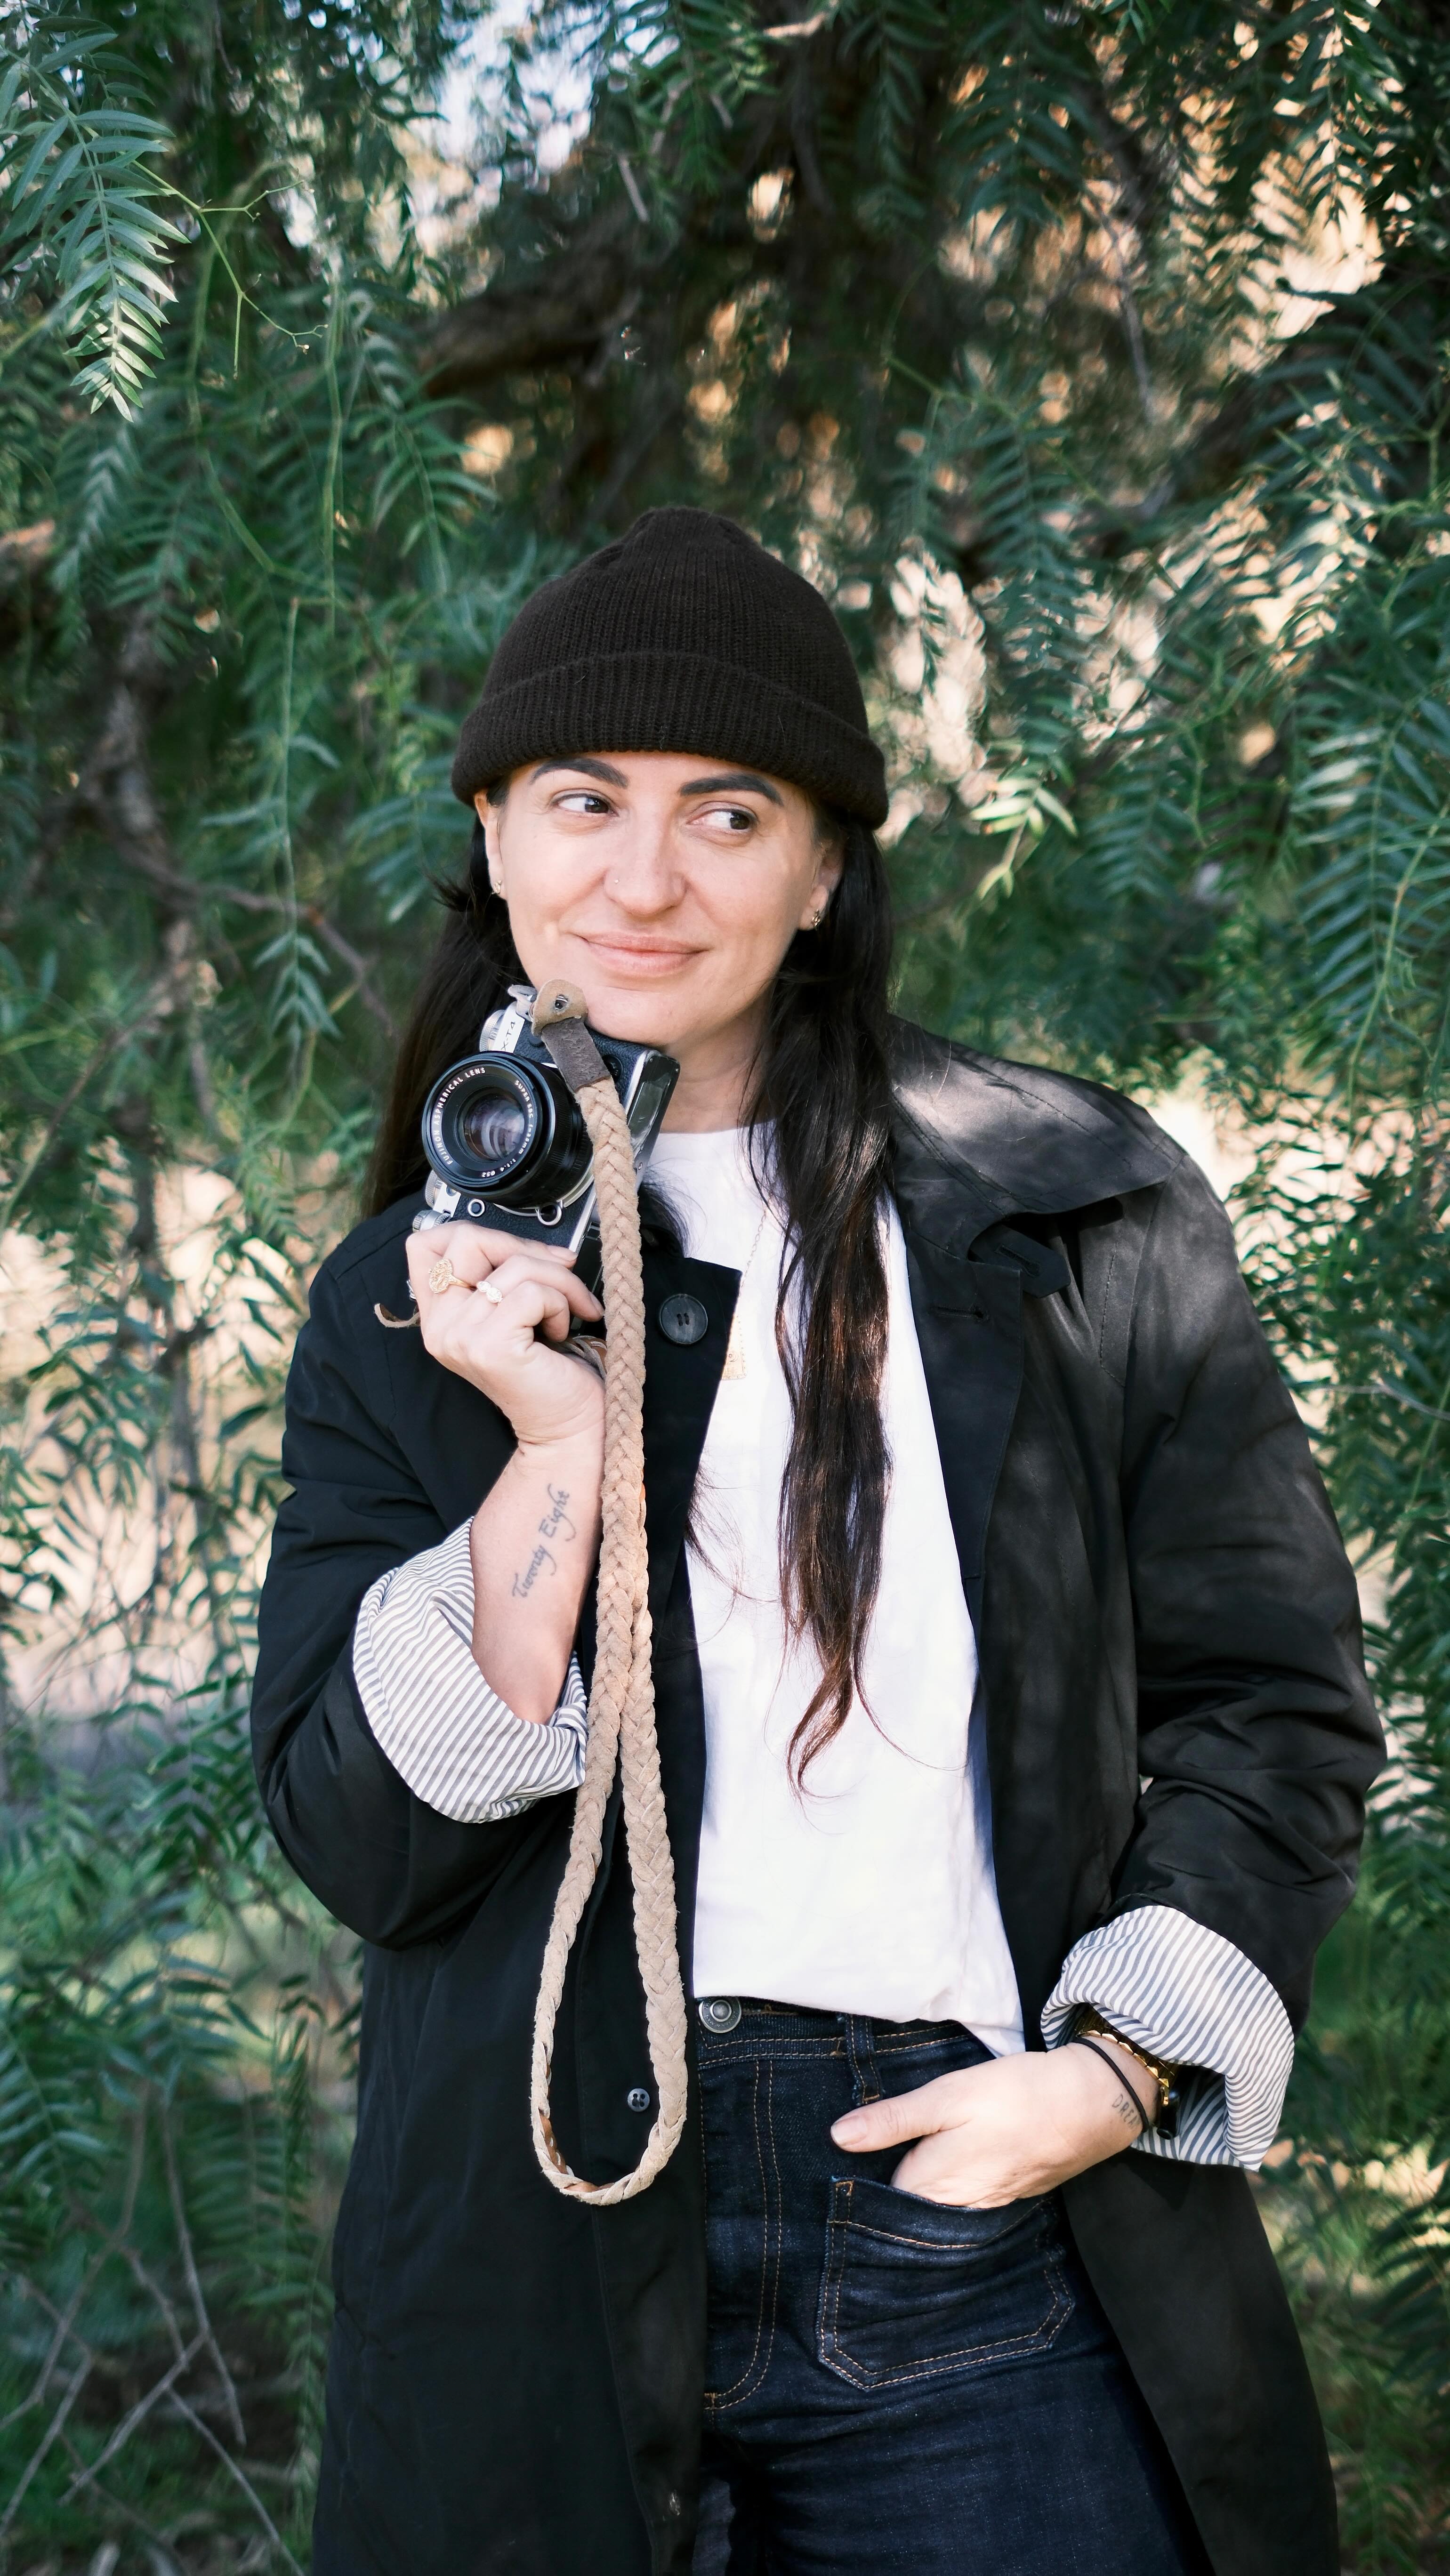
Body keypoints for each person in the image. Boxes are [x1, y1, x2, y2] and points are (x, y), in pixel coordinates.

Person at [251, 507, 1382, 2576]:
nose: (644, 875)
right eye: (582, 802)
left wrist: (1119, 2073)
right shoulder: (398, 1302)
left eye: (727, 809)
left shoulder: (1067, 1210)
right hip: (546, 2241)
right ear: (498, 839)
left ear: (824, 864)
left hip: (985, 2239)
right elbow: (361, 1845)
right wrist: (545, 1452)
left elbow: (1271, 1704)